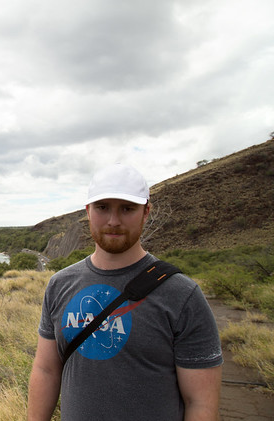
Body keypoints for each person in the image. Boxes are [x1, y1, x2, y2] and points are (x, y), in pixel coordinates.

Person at [27, 163, 223, 421]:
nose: (113, 221)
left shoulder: (181, 295)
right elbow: (46, 370)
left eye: (127, 209)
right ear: (88, 211)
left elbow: (200, 403)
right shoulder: (60, 284)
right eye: (103, 207)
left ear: (145, 212)